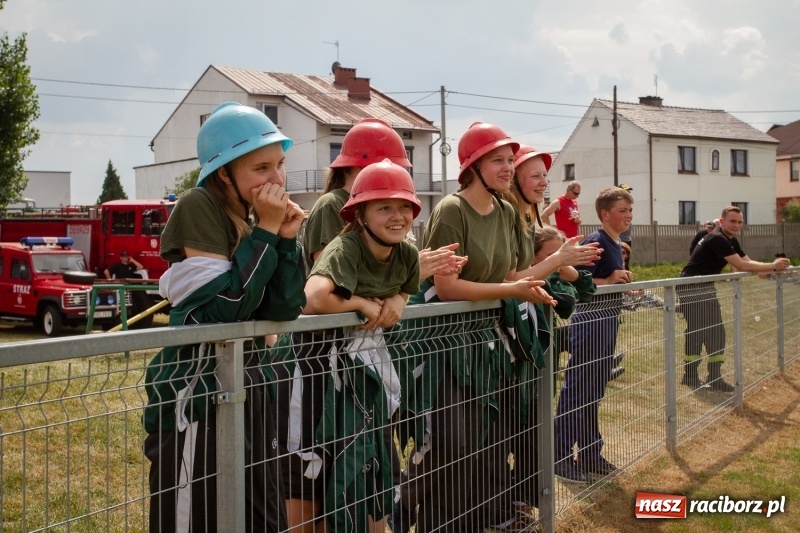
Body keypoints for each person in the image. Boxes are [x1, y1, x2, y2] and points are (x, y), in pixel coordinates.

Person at [142, 101, 306, 533]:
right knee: (198, 518)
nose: (277, 178)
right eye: (261, 167)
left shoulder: (253, 217)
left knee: (260, 518)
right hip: (198, 396)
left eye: (280, 164)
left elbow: (283, 309)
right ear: (223, 174)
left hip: (247, 388)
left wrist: (286, 241)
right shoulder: (198, 205)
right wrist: (267, 231)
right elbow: (227, 308)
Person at [398, 122, 556, 532]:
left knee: (488, 438)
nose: (508, 168)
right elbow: (447, 287)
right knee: (452, 442)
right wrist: (511, 290)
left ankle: (476, 519)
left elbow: (510, 274)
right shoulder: (452, 210)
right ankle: (412, 514)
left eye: (509, 161)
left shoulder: (506, 211)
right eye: (497, 160)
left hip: (489, 339)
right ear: (472, 166)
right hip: (448, 342)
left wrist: (528, 283)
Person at [303, 116, 459, 280]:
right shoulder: (331, 205)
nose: (394, 173)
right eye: (390, 166)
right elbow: (331, 279)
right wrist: (413, 273)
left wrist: (418, 267)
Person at [554, 186, 634, 483]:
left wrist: (620, 283)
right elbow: (570, 278)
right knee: (578, 389)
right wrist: (609, 280)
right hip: (590, 323)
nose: (628, 215)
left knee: (594, 391)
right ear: (605, 214)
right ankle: (559, 457)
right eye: (622, 210)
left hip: (607, 322)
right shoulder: (596, 240)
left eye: (630, 210)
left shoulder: (616, 241)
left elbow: (601, 280)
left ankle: (589, 454)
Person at [678, 206, 790, 391]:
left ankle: (715, 377)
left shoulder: (731, 240)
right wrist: (772, 266)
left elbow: (748, 262)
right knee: (697, 331)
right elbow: (742, 266)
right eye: (732, 221)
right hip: (690, 285)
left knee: (717, 332)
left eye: (740, 222)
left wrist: (771, 269)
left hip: (705, 285)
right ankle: (689, 376)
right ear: (722, 222)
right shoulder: (717, 238)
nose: (737, 225)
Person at [617, 184, 633, 250]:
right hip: (619, 239)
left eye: (628, 192)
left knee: (626, 256)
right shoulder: (617, 205)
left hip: (627, 239)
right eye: (625, 192)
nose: (628, 194)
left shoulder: (628, 205)